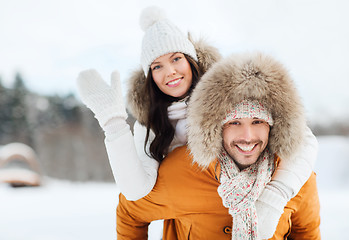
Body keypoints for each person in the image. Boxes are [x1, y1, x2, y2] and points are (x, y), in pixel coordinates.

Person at [76, 6, 318, 237]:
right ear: (150, 77)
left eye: (176, 59)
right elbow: (134, 194)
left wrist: (275, 194)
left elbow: (301, 138)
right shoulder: (153, 127)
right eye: (157, 66)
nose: (170, 71)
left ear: (191, 60)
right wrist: (113, 122)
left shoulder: (230, 94)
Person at [116, 52, 321, 239]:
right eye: (234, 123)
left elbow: (307, 233)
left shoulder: (295, 175)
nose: (247, 137)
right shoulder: (183, 168)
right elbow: (130, 213)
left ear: (273, 126)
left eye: (258, 122)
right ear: (217, 127)